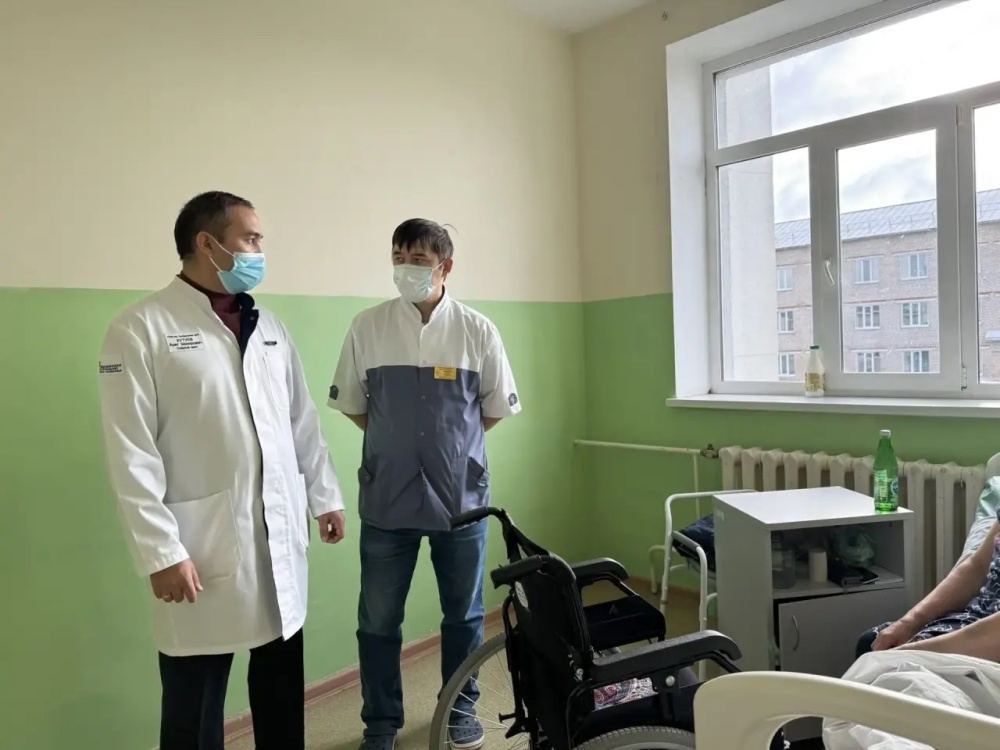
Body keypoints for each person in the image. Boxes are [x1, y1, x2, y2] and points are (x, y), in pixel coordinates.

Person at [98, 191, 347, 750]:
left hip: (277, 534)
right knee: (196, 702)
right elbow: (130, 451)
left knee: (280, 689)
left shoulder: (269, 326)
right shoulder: (140, 328)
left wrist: (324, 495)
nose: (260, 250)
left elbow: (300, 420)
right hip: (199, 546)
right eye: (250, 239)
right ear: (208, 244)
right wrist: (161, 552)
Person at [328, 218, 521, 750]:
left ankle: (460, 711)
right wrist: (398, 446)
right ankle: (380, 723)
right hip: (387, 499)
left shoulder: (477, 330)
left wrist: (450, 449)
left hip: (461, 500)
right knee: (378, 620)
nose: (405, 268)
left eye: (418, 259)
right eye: (398, 257)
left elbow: (493, 409)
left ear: (445, 267)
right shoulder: (368, 326)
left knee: (463, 614)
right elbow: (356, 405)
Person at [855, 506, 1000, 661]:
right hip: (980, 616)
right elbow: (978, 566)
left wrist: (910, 653)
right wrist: (909, 622)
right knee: (871, 642)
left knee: (889, 664)